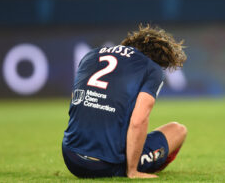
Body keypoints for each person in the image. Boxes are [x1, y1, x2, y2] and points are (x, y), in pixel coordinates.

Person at [62, 24, 188, 179]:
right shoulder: (151, 68)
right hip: (103, 165)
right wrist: (133, 171)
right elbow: (138, 121)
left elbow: (76, 102)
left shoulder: (90, 55)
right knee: (178, 130)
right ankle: (137, 167)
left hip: (71, 157)